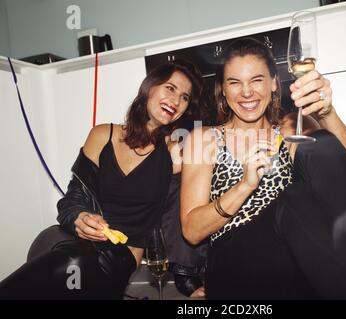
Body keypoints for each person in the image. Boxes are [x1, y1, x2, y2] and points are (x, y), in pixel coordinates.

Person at [180, 38, 346, 299]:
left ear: (274, 83)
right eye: (234, 82)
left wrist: (326, 113)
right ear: (222, 89)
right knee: (291, 199)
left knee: (319, 147)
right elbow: (191, 230)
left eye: (257, 80)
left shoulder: (291, 128)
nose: (246, 92)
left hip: (293, 258)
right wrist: (244, 186)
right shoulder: (205, 139)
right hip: (233, 264)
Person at [0, 60, 207, 299]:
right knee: (65, 262)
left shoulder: (174, 152)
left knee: (73, 264)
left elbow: (206, 185)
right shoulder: (102, 135)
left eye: (184, 97)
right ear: (150, 87)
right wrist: (79, 217)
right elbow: (72, 198)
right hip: (65, 238)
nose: (176, 100)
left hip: (116, 257)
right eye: (170, 88)